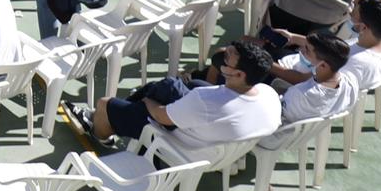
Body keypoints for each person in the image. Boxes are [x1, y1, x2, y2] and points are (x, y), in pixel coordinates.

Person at [79, 39, 282, 150]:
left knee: (106, 103)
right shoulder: (269, 95)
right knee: (179, 85)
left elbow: (161, 116)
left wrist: (147, 100)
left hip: (176, 144)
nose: (222, 59)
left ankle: (101, 132)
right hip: (216, 146)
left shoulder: (206, 100)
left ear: (239, 74)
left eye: (227, 60)